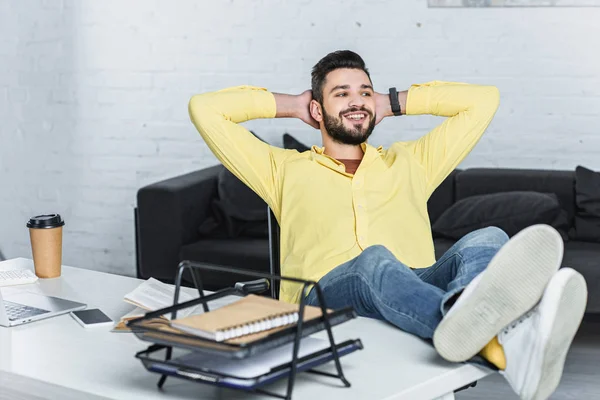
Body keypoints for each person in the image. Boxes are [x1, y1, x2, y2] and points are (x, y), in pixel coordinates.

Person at [189, 50, 587, 400]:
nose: (357, 100)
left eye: (364, 91)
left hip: (411, 284)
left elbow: (484, 101)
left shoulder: (411, 162)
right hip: (321, 300)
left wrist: (392, 101)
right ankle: (502, 338)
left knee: (489, 237)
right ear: (317, 109)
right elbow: (205, 109)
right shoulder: (282, 169)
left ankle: (474, 325)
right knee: (374, 260)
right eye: (341, 93)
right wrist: (292, 104)